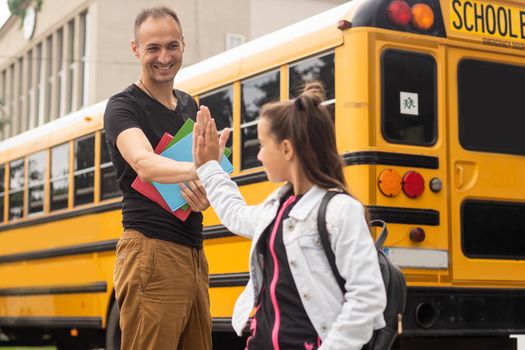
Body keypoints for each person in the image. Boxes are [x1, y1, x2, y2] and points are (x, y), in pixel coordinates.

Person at [192, 86, 387, 349]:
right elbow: (236, 215)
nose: (259, 155)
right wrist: (208, 167)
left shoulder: (341, 211)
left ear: (286, 149)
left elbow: (367, 297)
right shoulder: (278, 206)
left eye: (262, 145)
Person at [103, 6, 228, 350]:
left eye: (172, 46)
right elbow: (144, 162)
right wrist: (205, 168)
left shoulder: (189, 105)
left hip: (193, 252)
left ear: (183, 45)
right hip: (150, 250)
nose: (164, 57)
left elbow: (195, 184)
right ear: (135, 49)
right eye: (153, 48)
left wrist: (204, 192)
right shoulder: (122, 107)